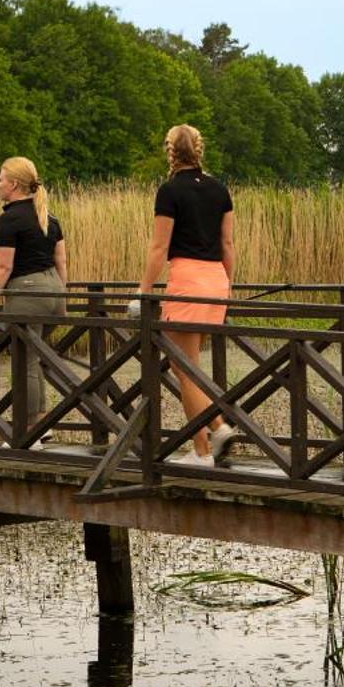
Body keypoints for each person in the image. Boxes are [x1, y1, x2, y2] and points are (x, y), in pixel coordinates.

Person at [136, 124, 235, 461]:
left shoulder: (169, 191)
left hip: (188, 280)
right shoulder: (220, 190)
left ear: (170, 151)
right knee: (189, 367)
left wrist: (143, 291)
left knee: (184, 369)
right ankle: (211, 434)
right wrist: (228, 286)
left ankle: (208, 441)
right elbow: (227, 244)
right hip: (216, 280)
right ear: (199, 149)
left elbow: (159, 246)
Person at [0, 156, 66, 442]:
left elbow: (3, 267)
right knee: (33, 359)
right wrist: (63, 295)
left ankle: (27, 433)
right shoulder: (48, 217)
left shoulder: (9, 220)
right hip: (55, 291)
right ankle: (42, 425)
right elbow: (61, 261)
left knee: (24, 362)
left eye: (0, 179)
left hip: (27, 292)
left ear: (13, 184)